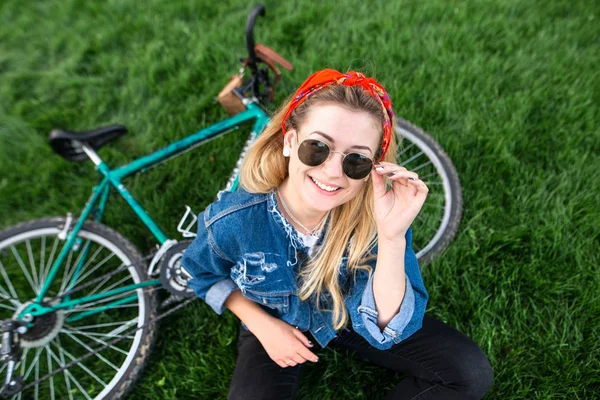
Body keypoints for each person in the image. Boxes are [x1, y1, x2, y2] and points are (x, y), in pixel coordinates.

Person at [181, 69, 493, 399]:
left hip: (350, 313)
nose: (332, 171)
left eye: (355, 160)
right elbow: (202, 274)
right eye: (317, 147)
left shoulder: (375, 217)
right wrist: (261, 325)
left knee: (468, 373)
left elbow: (385, 328)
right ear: (290, 141)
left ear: (373, 167)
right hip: (277, 315)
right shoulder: (234, 219)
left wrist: (391, 238)